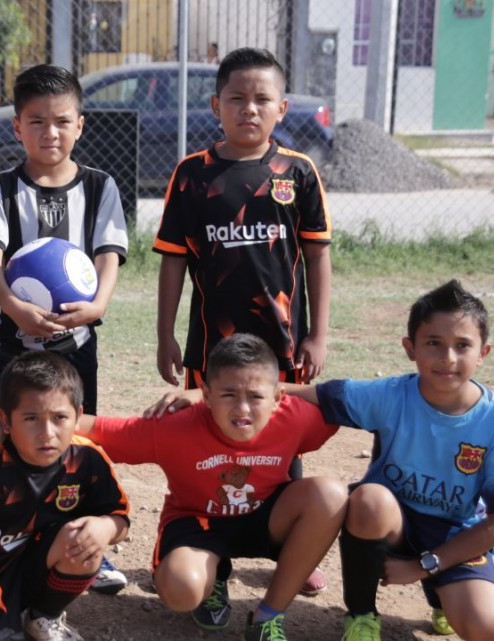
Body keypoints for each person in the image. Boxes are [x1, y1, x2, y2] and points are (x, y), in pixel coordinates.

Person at [0, 334, 347, 640]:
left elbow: (347, 398)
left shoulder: (295, 417)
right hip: (199, 525)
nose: (242, 409)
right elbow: (99, 429)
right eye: (228, 394)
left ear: (278, 397)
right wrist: (12, 423)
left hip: (267, 517)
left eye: (256, 396)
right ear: (207, 394)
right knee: (182, 590)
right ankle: (212, 578)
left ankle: (267, 616)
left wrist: (279, 385)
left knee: (329, 494)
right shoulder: (175, 426)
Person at [152, 46, 332, 595]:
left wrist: (317, 333)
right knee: (212, 438)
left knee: (284, 440)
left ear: (282, 107)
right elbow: (173, 260)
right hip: (213, 346)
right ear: (215, 105)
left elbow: (318, 254)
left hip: (280, 344)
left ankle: (288, 549)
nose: (249, 109)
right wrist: (165, 334)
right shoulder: (191, 175)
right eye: (237, 98)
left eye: (262, 99)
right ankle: (211, 552)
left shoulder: (297, 172)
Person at [285, 280, 494, 641]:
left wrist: (421, 567)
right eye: (433, 343)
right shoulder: (391, 395)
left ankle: (443, 598)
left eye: (462, 345)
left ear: (483, 352)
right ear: (410, 348)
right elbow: (309, 395)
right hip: (393, 521)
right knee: (368, 499)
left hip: (454, 532)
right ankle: (362, 616)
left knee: (488, 628)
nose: (447, 358)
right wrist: (207, 394)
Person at [0, 63, 130, 593]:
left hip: (76, 345)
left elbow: (108, 254)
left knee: (75, 438)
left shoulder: (102, 186)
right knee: (7, 435)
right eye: (36, 121)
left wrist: (98, 305)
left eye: (62, 121)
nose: (50, 132)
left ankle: (84, 541)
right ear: (17, 126)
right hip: (15, 346)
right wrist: (13, 305)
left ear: (80, 124)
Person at [0, 351, 131, 641]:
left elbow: (120, 519)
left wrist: (105, 527)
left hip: (35, 569)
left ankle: (42, 616)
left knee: (85, 541)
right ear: (5, 420)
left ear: (78, 416)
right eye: (31, 418)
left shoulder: (88, 458)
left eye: (59, 418)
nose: (47, 432)